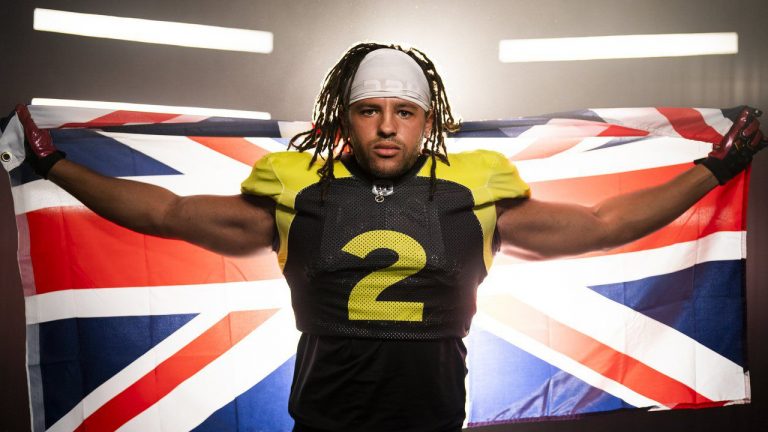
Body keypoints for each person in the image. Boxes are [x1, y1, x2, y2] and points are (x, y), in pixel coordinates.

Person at [14, 42, 766, 431]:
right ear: (345, 118)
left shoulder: (473, 188)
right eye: (369, 110)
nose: (385, 125)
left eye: (402, 112)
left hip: (433, 421)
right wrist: (58, 166)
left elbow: (604, 225)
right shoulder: (296, 187)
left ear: (427, 120)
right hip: (323, 424)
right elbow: (168, 217)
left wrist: (716, 164)